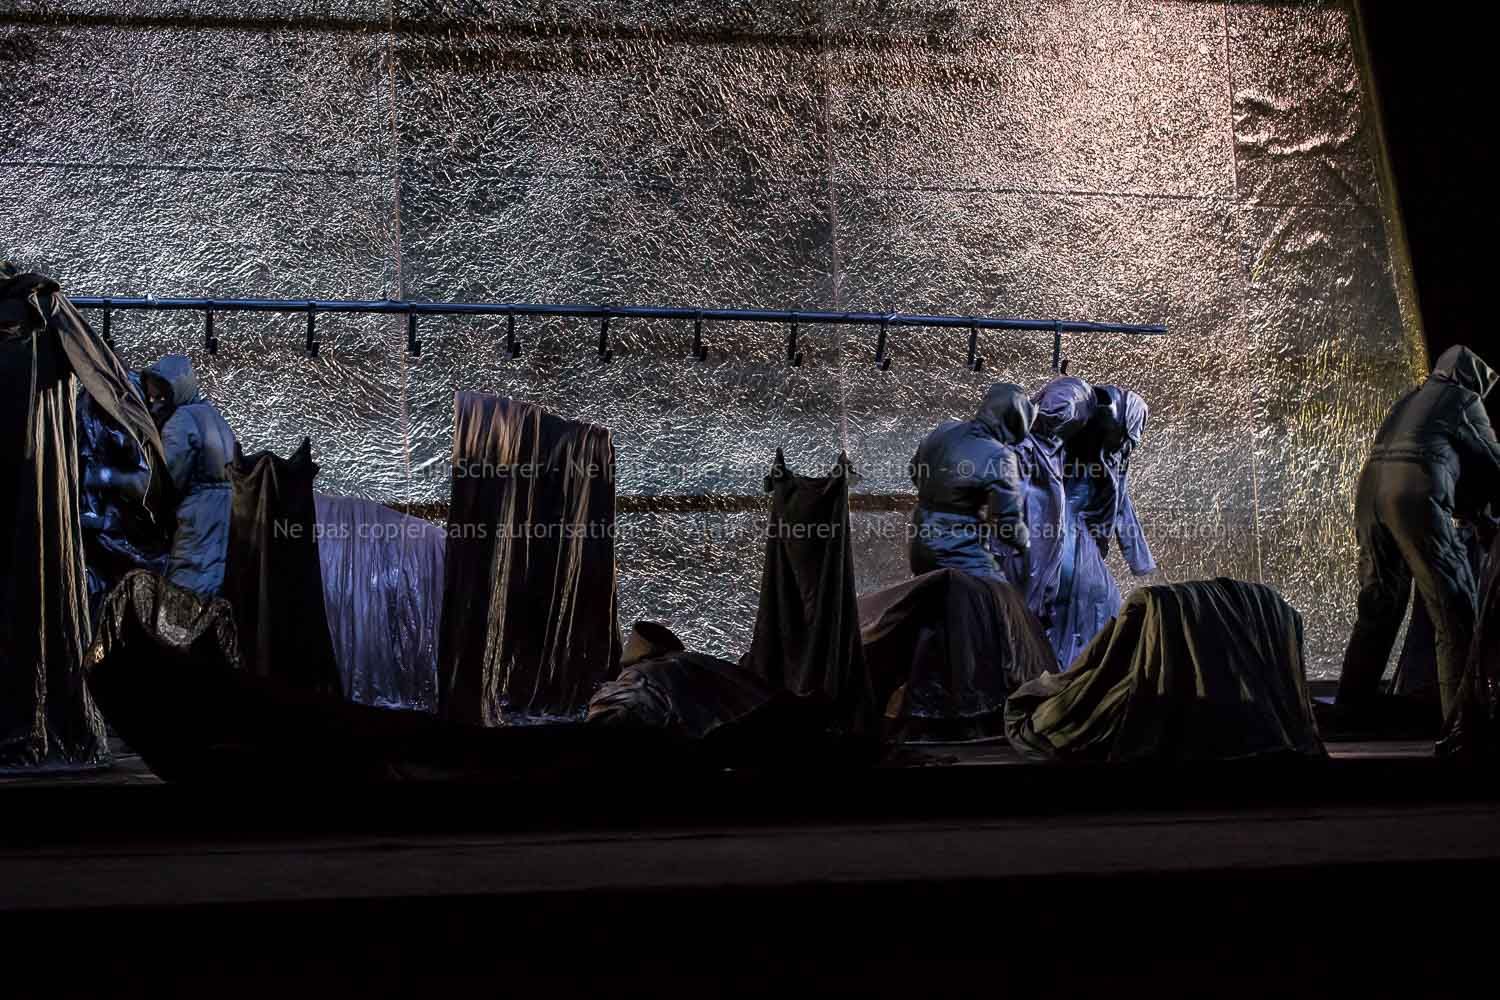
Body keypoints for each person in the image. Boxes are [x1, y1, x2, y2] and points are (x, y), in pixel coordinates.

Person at [1338, 345, 1500, 721]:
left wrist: (1472, 511)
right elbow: (1492, 463)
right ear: (1471, 378)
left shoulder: (1409, 400)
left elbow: (1433, 453)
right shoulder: (1463, 399)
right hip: (1411, 496)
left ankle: (1349, 714)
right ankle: (1461, 724)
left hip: (1370, 497)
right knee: (1454, 607)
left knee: (1378, 607)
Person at [908, 382, 1034, 583]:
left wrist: (941, 498)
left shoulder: (943, 430)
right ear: (1015, 421)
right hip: (959, 551)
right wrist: (1025, 544)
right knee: (998, 595)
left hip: (919, 545)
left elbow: (914, 470)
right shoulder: (1000, 456)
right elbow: (1007, 523)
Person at [140, 353, 238, 597]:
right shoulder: (214, 415)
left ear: (176, 391)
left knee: (185, 585)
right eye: (151, 398)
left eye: (160, 397)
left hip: (197, 512)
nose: (154, 405)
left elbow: (169, 479)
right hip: (229, 510)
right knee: (215, 580)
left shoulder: (181, 420)